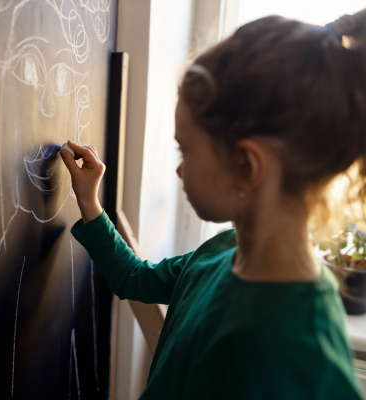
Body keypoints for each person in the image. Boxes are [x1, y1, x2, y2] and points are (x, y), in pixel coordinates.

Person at [59, 10, 366, 400]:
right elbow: (133, 278)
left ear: (247, 166)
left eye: (185, 149)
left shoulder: (305, 357)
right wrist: (89, 200)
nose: (180, 170)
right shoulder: (220, 254)